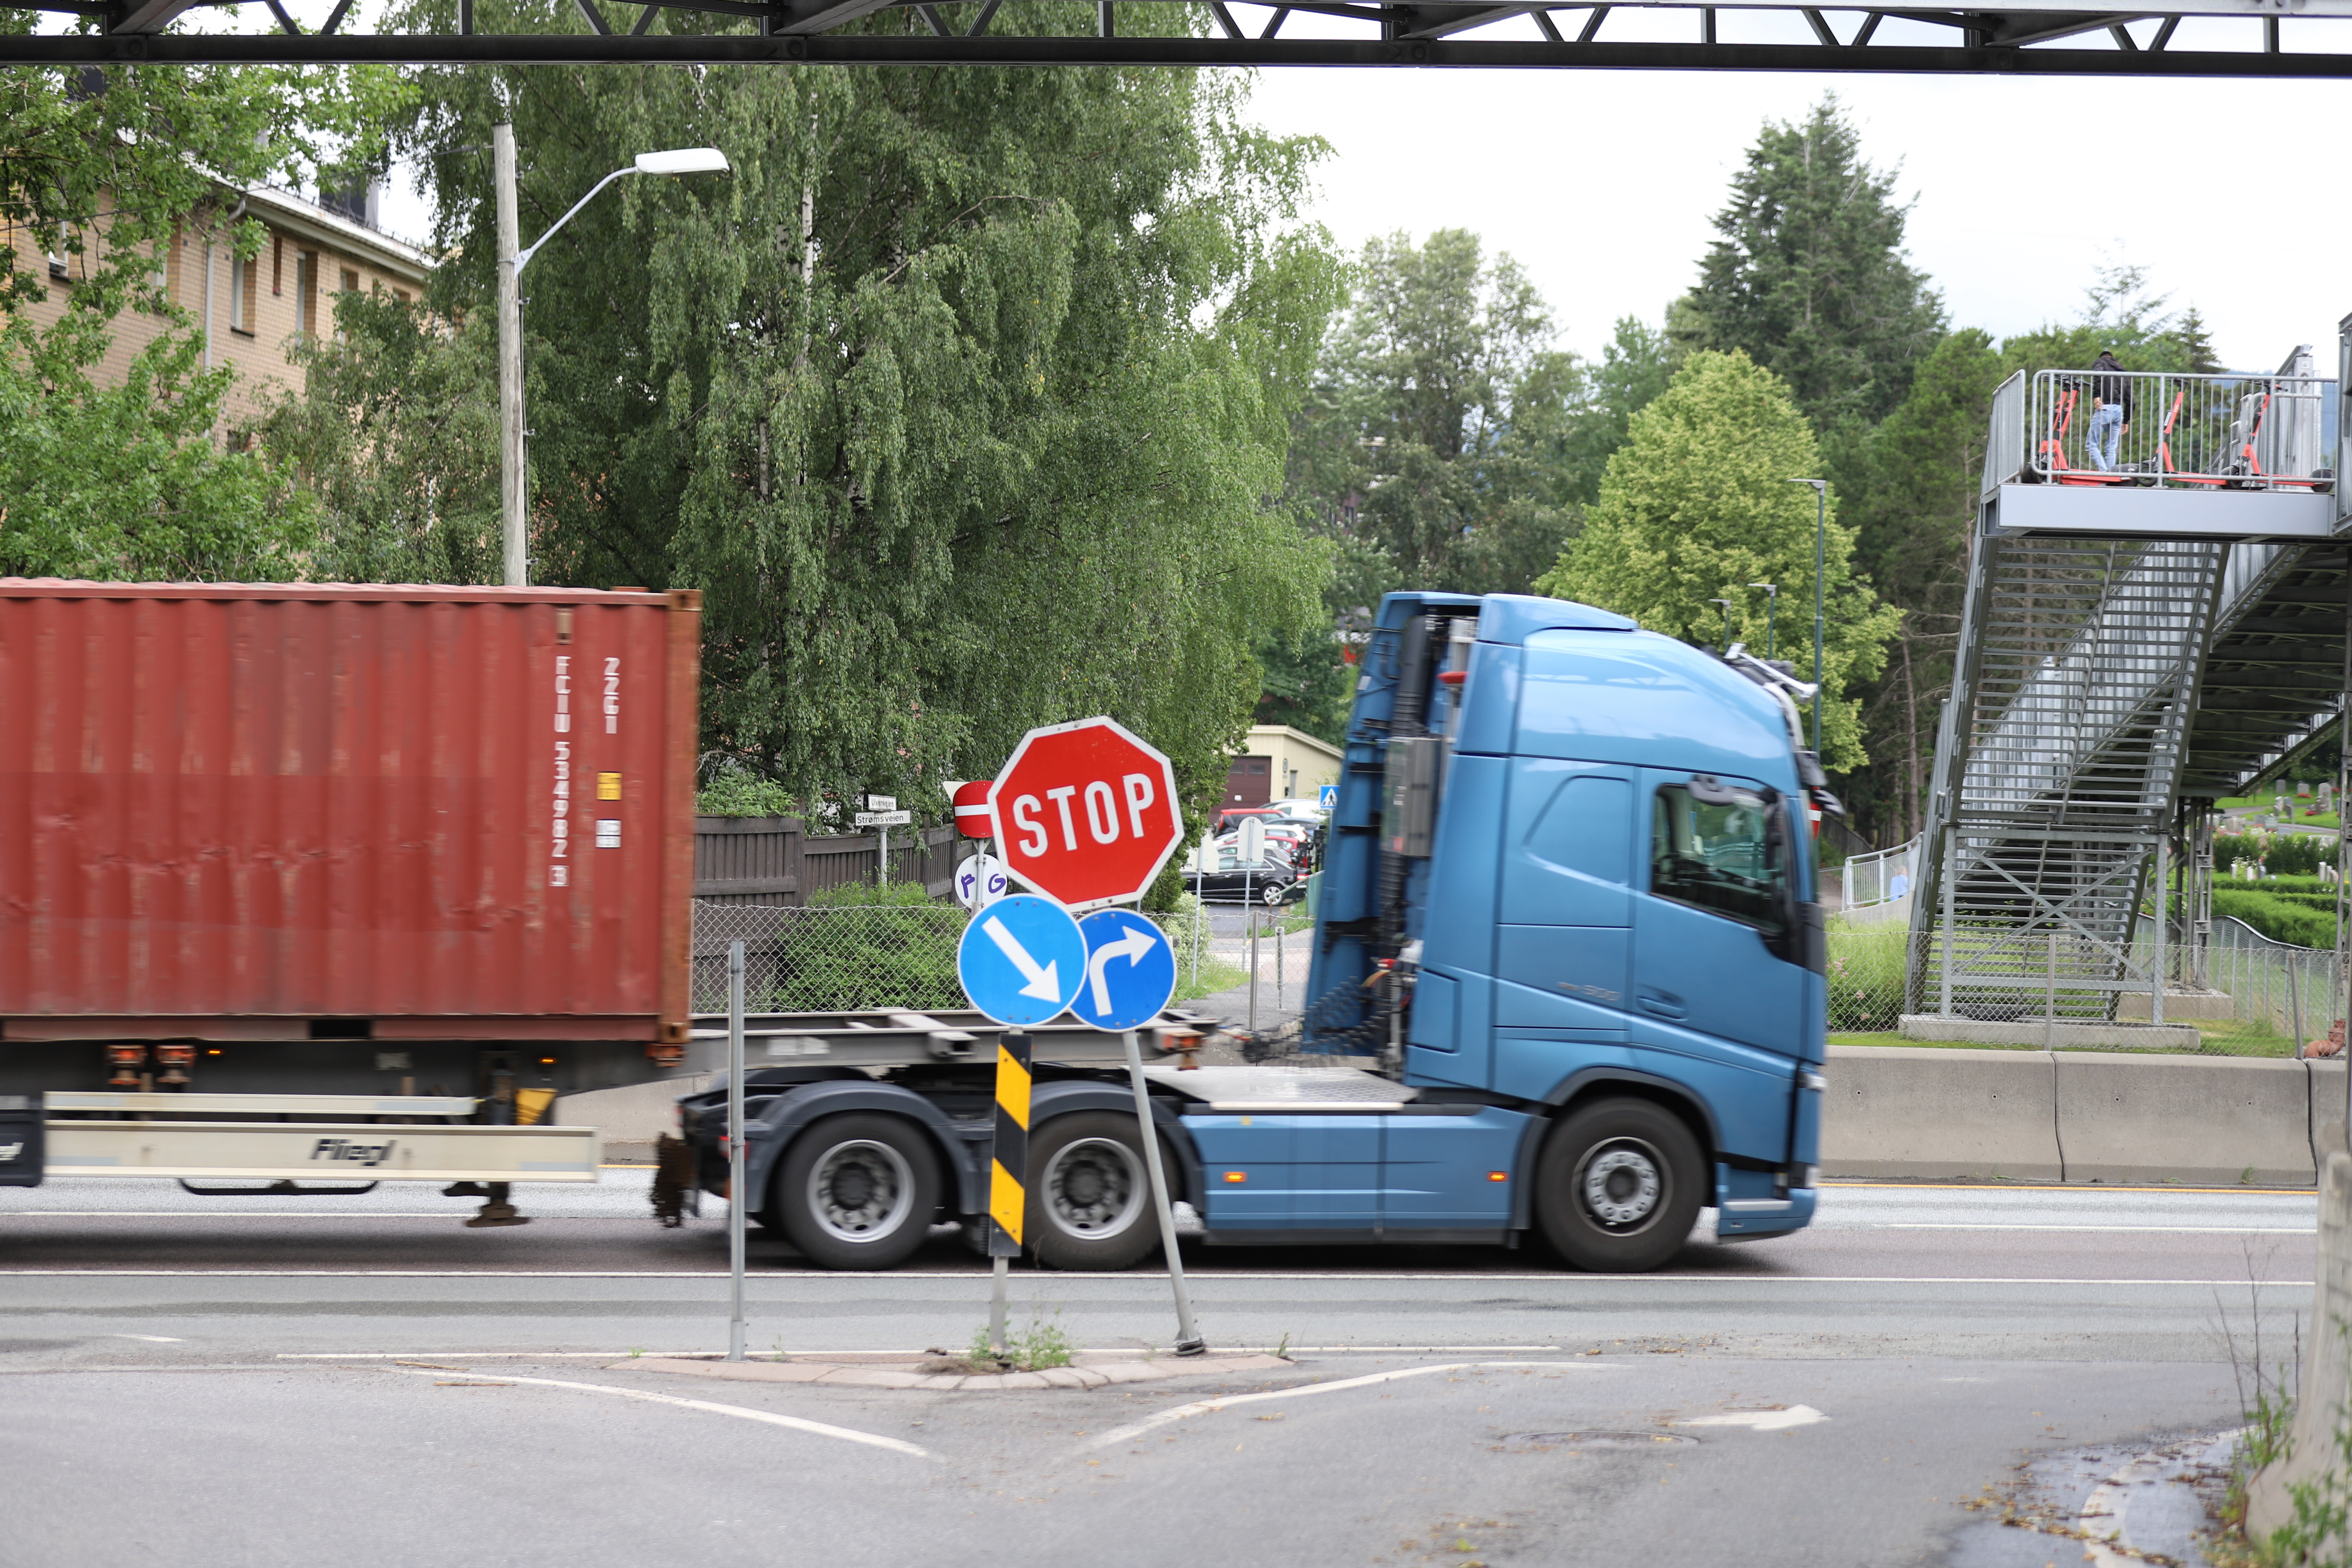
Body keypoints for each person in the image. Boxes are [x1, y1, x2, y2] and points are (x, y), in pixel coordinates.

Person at [2086, 348, 2131, 472]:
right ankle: (2111, 476)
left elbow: (2098, 375)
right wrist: (2126, 421)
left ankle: (2105, 473)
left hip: (2105, 408)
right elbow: (2131, 399)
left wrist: (2097, 395)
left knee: (2091, 445)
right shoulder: (2121, 371)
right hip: (2119, 411)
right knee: (2111, 448)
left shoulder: (2099, 363)